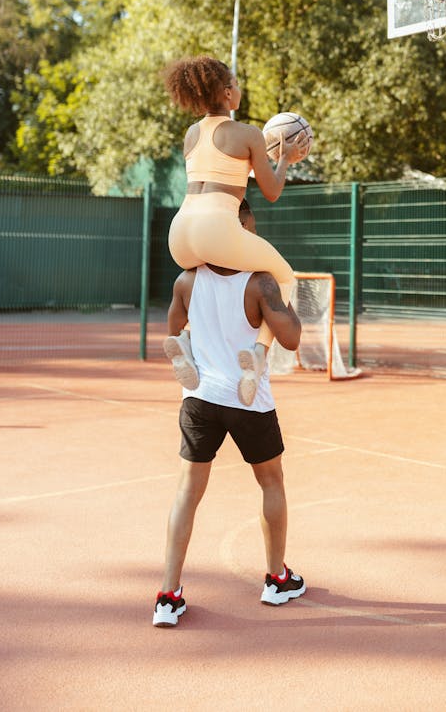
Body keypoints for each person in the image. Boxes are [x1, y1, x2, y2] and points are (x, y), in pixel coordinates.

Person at [153, 200, 306, 627]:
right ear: (237, 230)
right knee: (271, 481)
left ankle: (168, 595)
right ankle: (277, 579)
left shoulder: (187, 279)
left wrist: (188, 343)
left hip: (200, 396)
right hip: (247, 399)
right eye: (250, 227)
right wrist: (283, 297)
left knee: (187, 491)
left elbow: (172, 326)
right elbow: (291, 339)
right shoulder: (261, 282)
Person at [162, 55, 309, 405]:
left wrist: (266, 158)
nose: (239, 90)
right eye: (237, 85)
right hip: (216, 227)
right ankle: (258, 353)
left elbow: (225, 172)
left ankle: (185, 338)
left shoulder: (191, 134)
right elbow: (271, 191)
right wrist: (284, 158)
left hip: (180, 232)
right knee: (285, 275)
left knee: (202, 275)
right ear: (228, 94)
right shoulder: (249, 134)